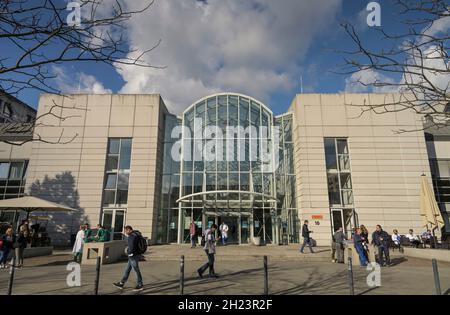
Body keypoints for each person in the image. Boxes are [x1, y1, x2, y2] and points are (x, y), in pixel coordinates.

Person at [113, 226, 144, 291]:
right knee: (127, 270)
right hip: (135, 255)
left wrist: (129, 253)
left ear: (129, 230)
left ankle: (140, 284)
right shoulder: (136, 234)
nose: (126, 232)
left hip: (133, 256)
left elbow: (132, 246)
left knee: (136, 270)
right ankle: (121, 283)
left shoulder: (131, 236)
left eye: (126, 231)